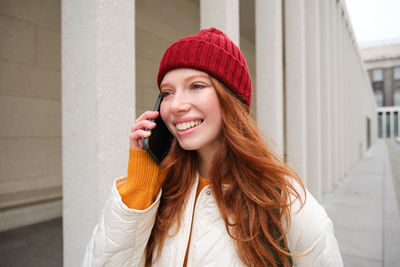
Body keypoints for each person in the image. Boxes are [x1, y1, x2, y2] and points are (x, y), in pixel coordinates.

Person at [82, 28, 343, 267]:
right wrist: (141, 185)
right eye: (167, 92)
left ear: (231, 100)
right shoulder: (160, 190)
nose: (176, 105)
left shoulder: (284, 198)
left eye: (196, 86)